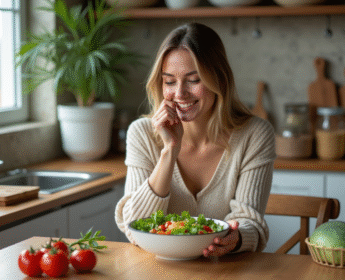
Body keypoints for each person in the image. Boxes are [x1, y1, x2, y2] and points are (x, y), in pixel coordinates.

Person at [115, 22, 276, 257]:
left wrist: (236, 237)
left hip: (225, 270)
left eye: (194, 80)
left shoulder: (254, 134)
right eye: (169, 81)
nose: (179, 93)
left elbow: (249, 221)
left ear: (219, 80)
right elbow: (134, 226)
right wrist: (169, 151)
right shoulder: (141, 133)